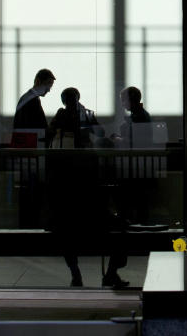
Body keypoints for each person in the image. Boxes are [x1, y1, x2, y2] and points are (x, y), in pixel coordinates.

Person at [44, 87, 128, 289]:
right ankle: (110, 275)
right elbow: (99, 132)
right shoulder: (91, 166)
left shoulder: (60, 120)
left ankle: (76, 275)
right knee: (121, 230)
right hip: (93, 220)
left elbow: (49, 133)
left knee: (67, 237)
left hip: (68, 222)